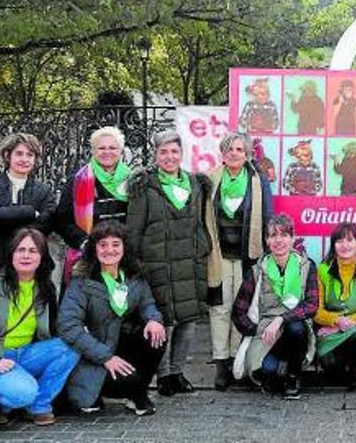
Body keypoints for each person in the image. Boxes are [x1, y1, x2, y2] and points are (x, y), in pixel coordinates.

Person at [125, 130, 210, 397]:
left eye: (174, 151)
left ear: (182, 154)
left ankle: (177, 372)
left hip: (189, 261)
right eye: (164, 152)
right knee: (164, 320)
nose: (169, 157)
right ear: (156, 155)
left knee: (188, 320)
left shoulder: (195, 184)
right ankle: (162, 376)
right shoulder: (144, 186)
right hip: (157, 263)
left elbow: (200, 222)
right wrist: (135, 262)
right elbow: (134, 228)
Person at [0, 228, 78, 437]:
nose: (26, 255)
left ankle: (39, 405)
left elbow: (51, 331)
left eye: (33, 250)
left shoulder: (44, 288)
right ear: (11, 254)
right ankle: (4, 402)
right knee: (23, 392)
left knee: (72, 345)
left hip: (25, 353)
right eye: (21, 250)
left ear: (42, 257)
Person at [58, 221, 166, 416]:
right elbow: (68, 326)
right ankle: (101, 390)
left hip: (119, 345)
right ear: (94, 248)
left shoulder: (134, 275)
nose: (110, 250)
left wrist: (153, 320)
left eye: (116, 244)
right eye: (103, 244)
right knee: (127, 380)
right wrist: (105, 357)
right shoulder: (81, 280)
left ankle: (136, 394)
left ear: (124, 247)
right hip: (92, 352)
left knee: (156, 334)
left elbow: (148, 304)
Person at [203, 133, 273, 391]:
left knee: (239, 307)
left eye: (239, 149)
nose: (234, 153)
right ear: (223, 153)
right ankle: (221, 362)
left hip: (247, 255)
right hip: (217, 255)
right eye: (229, 149)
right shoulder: (209, 180)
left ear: (247, 154)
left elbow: (267, 217)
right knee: (219, 307)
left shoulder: (258, 181)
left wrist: (265, 251)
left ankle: (236, 359)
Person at [232, 214, 318, 400]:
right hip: (266, 333)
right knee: (268, 374)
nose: (278, 240)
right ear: (266, 240)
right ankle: (278, 370)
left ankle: (293, 377)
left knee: (296, 328)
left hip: (294, 328)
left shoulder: (307, 266)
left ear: (293, 238)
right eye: (273, 235)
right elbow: (238, 311)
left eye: (284, 235)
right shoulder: (257, 271)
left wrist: (281, 319)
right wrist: (256, 330)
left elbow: (311, 306)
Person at [0, 133, 56, 283]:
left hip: (33, 267)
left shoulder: (44, 191)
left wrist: (1, 216)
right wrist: (30, 212)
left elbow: (46, 224)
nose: (24, 159)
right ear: (7, 155)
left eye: (30, 155)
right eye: (19, 154)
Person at [55, 127, 131, 293]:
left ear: (121, 151)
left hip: (124, 256)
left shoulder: (133, 180)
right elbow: (62, 220)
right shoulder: (77, 181)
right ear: (93, 151)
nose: (107, 152)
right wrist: (84, 243)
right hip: (87, 257)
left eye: (113, 148)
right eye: (101, 148)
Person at [313, 223, 356, 391]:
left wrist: (341, 326)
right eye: (339, 241)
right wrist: (335, 320)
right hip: (330, 330)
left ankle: (355, 373)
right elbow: (315, 310)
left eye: (350, 240)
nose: (345, 245)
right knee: (329, 365)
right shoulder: (322, 270)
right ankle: (344, 371)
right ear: (333, 245)